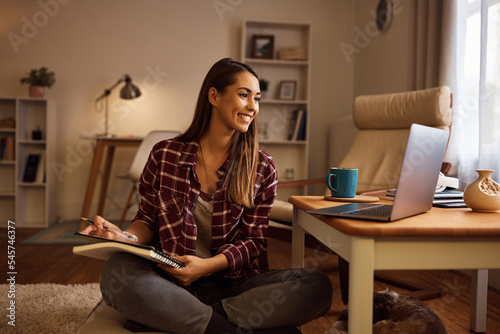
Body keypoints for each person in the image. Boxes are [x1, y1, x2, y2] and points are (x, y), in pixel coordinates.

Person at [82, 58, 332, 334]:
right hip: (170, 281)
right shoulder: (165, 154)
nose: (253, 107)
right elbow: (147, 220)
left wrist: (206, 267)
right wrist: (123, 237)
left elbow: (254, 242)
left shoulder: (261, 166)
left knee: (316, 286)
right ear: (214, 95)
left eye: (257, 98)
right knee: (117, 272)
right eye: (243, 95)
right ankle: (221, 328)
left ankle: (181, 319)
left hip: (233, 288)